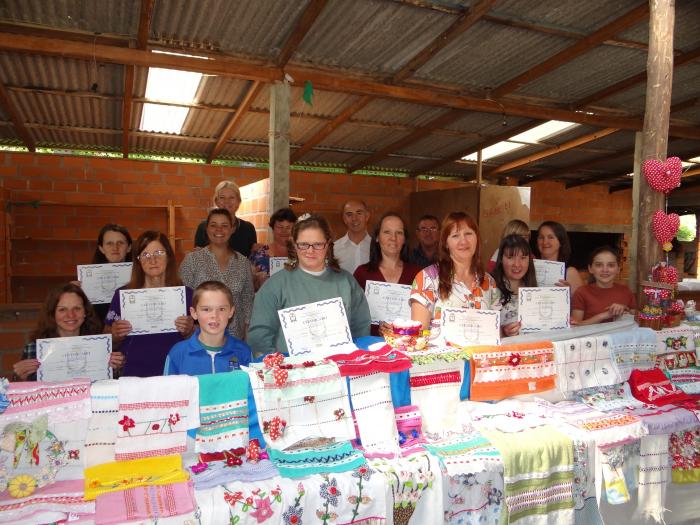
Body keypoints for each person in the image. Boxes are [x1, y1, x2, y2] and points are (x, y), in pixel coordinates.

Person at [247, 214, 371, 356]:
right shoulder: (275, 285)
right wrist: (280, 368)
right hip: (291, 372)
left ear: (328, 244)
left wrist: (352, 359)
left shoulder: (346, 282)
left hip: (340, 369)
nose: (310, 251)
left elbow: (361, 327)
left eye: (318, 244)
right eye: (304, 244)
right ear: (294, 244)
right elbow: (259, 336)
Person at [105, 231, 194, 378]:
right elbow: (107, 342)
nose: (152, 260)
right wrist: (115, 335)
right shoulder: (123, 295)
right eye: (145, 255)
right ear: (138, 260)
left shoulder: (187, 294)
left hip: (175, 372)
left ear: (169, 256)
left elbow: (200, 341)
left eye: (159, 252)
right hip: (134, 374)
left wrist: (189, 331)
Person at [12, 283, 122, 381]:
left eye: (77, 308)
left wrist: (116, 368)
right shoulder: (34, 349)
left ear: (85, 312)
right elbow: (22, 391)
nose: (70, 315)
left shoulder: (101, 347)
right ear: (52, 314)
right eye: (62, 309)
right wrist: (19, 377)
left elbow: (112, 386)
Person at [410, 211, 501, 329]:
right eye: (455, 236)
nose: (463, 241)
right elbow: (418, 334)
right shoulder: (426, 279)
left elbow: (495, 331)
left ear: (477, 238)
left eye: (468, 234)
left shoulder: (489, 283)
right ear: (446, 243)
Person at [180, 208, 254, 340]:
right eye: (213, 225)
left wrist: (247, 333)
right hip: (200, 335)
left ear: (232, 229)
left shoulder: (243, 263)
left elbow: (248, 299)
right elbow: (183, 298)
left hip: (235, 337)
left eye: (224, 226)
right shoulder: (192, 260)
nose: (219, 230)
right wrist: (190, 326)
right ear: (207, 229)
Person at [353, 212, 421, 335]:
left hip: (407, 345)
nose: (393, 238)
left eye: (399, 233)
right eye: (387, 232)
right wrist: (374, 329)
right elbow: (354, 316)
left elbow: (423, 318)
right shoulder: (362, 273)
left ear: (405, 239)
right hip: (371, 347)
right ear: (377, 237)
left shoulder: (418, 274)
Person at [166, 281, 252, 375]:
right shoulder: (178, 353)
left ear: (231, 312)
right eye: (206, 309)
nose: (214, 315)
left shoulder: (243, 351)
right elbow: (168, 389)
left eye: (222, 309)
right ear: (194, 313)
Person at [572, 246, 636, 325]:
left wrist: (624, 309)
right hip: (593, 336)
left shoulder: (626, 291)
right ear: (590, 269)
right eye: (599, 265)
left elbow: (635, 318)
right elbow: (575, 326)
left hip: (621, 336)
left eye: (611, 265)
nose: (605, 270)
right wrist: (604, 315)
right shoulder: (582, 292)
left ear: (618, 269)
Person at [194, 180, 257, 257]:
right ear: (216, 201)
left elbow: (252, 259)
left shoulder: (248, 228)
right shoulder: (204, 227)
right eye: (222, 197)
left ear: (239, 201)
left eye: (231, 197)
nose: (227, 201)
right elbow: (198, 258)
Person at [491, 234, 537, 337]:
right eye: (510, 257)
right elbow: (481, 328)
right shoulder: (490, 289)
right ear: (501, 259)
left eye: (523, 258)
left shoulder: (535, 290)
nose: (517, 264)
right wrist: (502, 332)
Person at [89, 224, 133, 321]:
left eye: (120, 243)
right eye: (109, 243)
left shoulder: (141, 276)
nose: (115, 247)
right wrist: (77, 292)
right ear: (101, 248)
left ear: (129, 247)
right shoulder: (88, 281)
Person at [249, 207, 297, 290]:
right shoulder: (259, 254)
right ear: (273, 228)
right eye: (280, 227)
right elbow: (248, 284)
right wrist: (256, 280)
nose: (284, 231)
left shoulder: (302, 254)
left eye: (288, 227)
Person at [535, 221, 584, 295]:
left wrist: (568, 293)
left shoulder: (570, 273)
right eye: (541, 237)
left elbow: (582, 304)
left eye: (550, 237)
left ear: (561, 242)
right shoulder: (529, 268)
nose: (545, 242)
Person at [334, 199, 371, 274]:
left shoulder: (378, 248)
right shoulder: (334, 249)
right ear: (344, 219)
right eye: (349, 215)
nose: (354, 218)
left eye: (359, 213)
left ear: (367, 216)